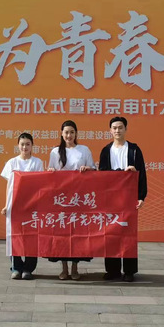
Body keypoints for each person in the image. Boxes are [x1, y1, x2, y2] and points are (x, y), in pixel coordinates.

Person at [98, 116, 147, 282]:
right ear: (110, 131)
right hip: (111, 198)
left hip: (129, 197)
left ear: (126, 129)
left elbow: (142, 173)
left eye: (120, 127)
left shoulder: (134, 150)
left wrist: (141, 196)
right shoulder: (106, 150)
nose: (117, 130)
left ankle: (129, 271)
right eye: (114, 128)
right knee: (111, 233)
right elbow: (102, 174)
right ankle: (112, 270)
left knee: (127, 234)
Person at [47, 119, 95, 280]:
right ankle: (64, 268)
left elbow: (94, 169)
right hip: (61, 198)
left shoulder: (84, 150)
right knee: (62, 233)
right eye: (66, 132)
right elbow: (50, 172)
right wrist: (51, 171)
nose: (69, 135)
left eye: (72, 132)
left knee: (77, 233)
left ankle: (75, 267)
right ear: (62, 134)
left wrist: (87, 168)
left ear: (76, 134)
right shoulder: (55, 152)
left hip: (79, 198)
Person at [1, 132, 44, 280]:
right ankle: (16, 268)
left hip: (32, 205)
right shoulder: (12, 163)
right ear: (18, 146)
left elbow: (40, 186)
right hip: (15, 206)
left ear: (32, 146)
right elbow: (9, 186)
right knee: (15, 236)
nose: (25, 147)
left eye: (27, 144)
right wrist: (6, 205)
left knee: (31, 237)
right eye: (22, 144)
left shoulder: (37, 163)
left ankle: (28, 269)